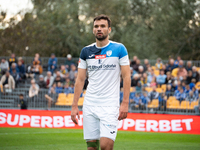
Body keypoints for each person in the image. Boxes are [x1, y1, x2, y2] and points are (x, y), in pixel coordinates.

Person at [71, 15, 130, 150]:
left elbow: (126, 77)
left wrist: (125, 103)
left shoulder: (119, 49)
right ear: (93, 30)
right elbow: (80, 80)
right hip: (90, 104)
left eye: (103, 26)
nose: (99, 29)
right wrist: (74, 105)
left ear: (109, 30)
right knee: (91, 148)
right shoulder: (86, 51)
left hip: (109, 106)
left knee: (105, 147)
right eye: (96, 26)